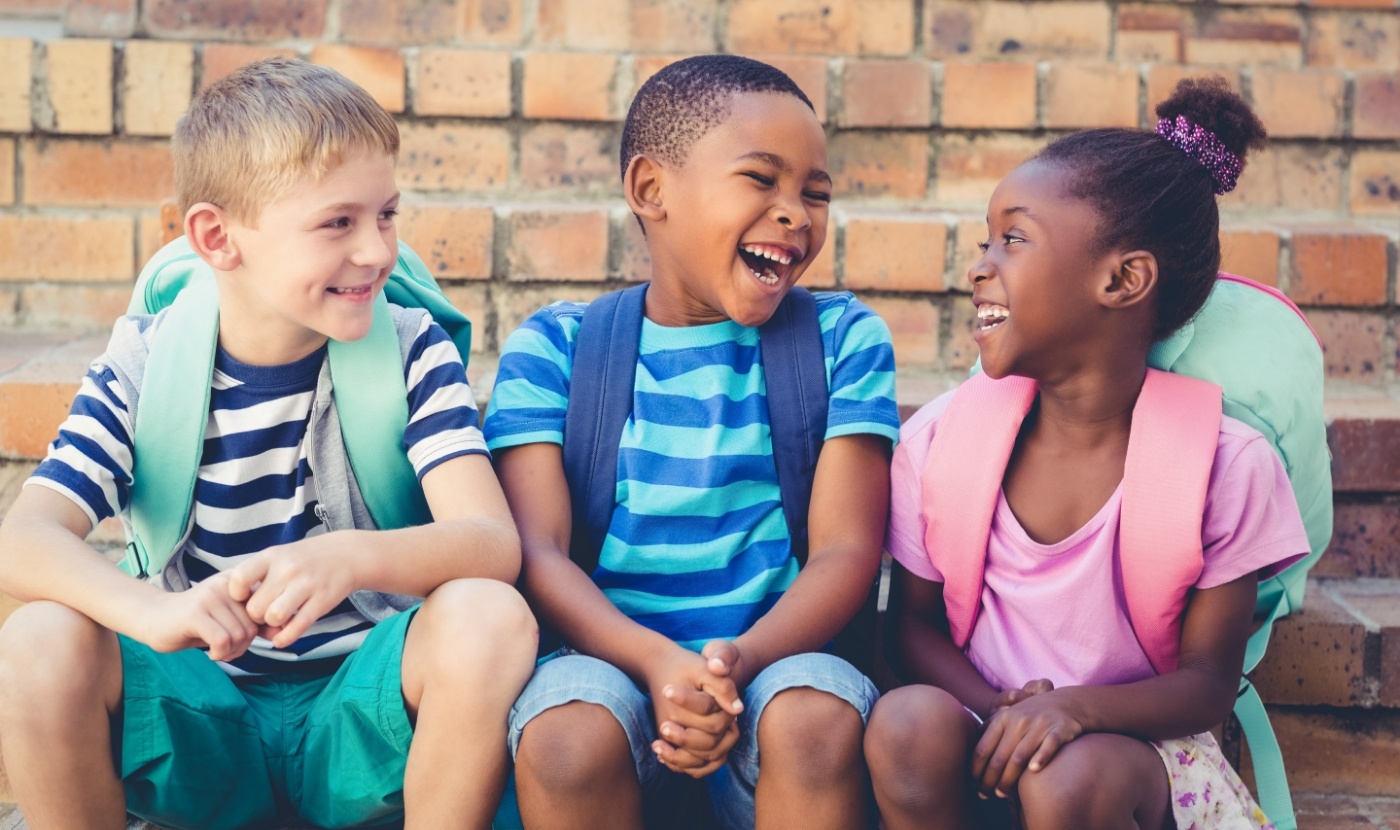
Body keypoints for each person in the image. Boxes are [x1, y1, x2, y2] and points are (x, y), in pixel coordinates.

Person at [0, 58, 536, 830]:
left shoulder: (413, 347)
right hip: (201, 712)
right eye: (337, 223)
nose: (378, 252)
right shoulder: (147, 365)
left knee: (489, 614)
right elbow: (24, 540)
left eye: (386, 215)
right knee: (37, 636)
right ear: (218, 238)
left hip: (362, 719)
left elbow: (492, 544)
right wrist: (150, 614)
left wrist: (350, 556)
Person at [864, 76, 1311, 830]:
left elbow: (1205, 683)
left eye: (1013, 238)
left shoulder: (1227, 465)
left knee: (1068, 779)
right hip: (986, 727)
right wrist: (1005, 710)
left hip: (1137, 755)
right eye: (985, 241)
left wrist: (1074, 712)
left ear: (1123, 279)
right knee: (906, 722)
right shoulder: (939, 442)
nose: (979, 266)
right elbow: (909, 629)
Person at [483, 55, 901, 830]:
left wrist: (732, 664)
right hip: (611, 673)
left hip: (777, 669)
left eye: (816, 192)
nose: (795, 214)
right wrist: (655, 665)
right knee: (565, 732)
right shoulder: (557, 349)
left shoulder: (844, 338)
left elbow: (847, 552)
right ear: (651, 190)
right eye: (761, 180)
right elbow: (536, 550)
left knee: (814, 715)